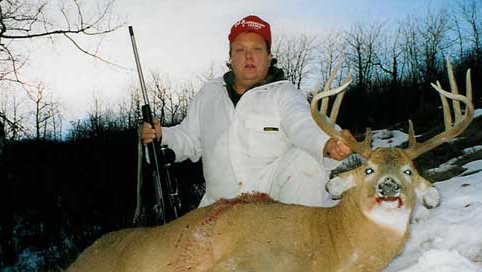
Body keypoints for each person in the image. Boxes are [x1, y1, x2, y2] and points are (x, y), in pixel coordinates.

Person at [142, 15, 353, 208]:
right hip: (220, 207)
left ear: (269, 56)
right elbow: (188, 138)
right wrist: (161, 136)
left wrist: (326, 144)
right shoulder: (209, 94)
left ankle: (295, 244)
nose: (248, 57)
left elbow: (301, 122)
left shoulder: (283, 93)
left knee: (306, 159)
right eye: (240, 50)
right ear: (230, 57)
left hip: (273, 201)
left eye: (257, 49)